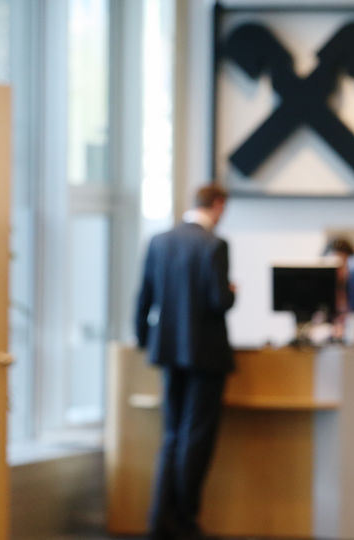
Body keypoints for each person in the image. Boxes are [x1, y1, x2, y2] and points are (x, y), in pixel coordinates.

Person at [135, 186, 235, 540]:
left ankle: (160, 518)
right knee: (197, 437)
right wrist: (232, 291)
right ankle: (185, 520)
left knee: (172, 435)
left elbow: (143, 297)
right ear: (218, 205)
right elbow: (219, 300)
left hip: (167, 352)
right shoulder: (214, 245)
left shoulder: (159, 241)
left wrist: (145, 342)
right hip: (206, 355)